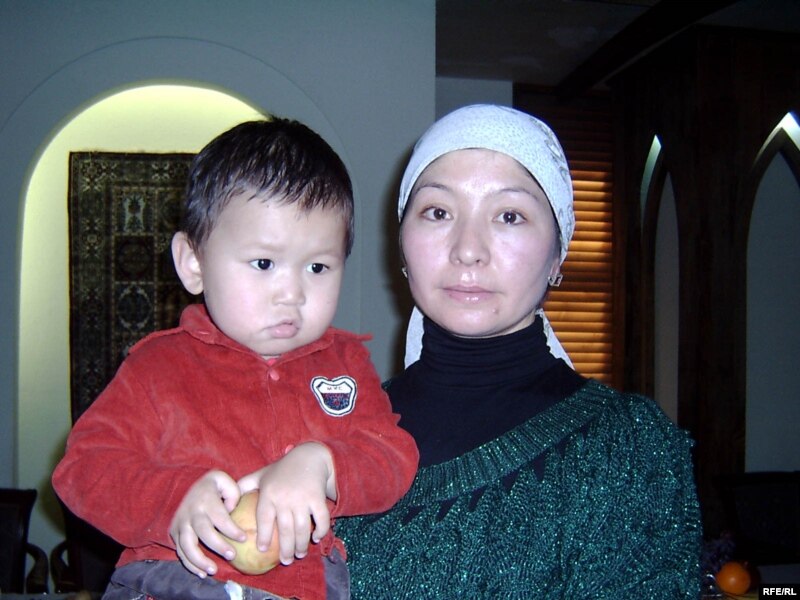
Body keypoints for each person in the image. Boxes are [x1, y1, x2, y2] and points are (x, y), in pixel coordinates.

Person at [335, 104, 702, 598]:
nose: (468, 249)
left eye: (509, 216)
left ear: (557, 254)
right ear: (401, 243)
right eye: (438, 212)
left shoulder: (627, 448)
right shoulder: (335, 430)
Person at [52, 118, 419, 600]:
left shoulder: (346, 364)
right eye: (264, 263)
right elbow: (83, 469)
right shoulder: (158, 367)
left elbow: (393, 458)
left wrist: (323, 463)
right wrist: (173, 500)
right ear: (194, 263)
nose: (292, 293)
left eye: (318, 266)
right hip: (173, 582)